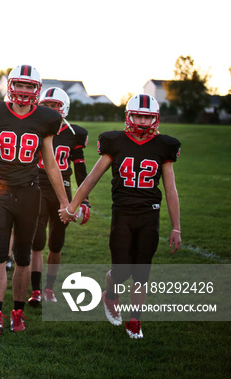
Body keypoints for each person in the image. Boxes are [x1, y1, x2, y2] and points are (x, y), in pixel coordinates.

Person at [60, 94, 181, 339]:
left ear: (155, 120)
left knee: (142, 272)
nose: (142, 122)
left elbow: (170, 189)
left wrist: (176, 227)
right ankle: (111, 295)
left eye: (147, 117)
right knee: (121, 271)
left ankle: (135, 319)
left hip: (150, 215)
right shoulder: (115, 142)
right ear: (128, 116)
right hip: (123, 214)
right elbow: (91, 178)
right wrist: (72, 206)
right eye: (138, 115)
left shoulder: (164, 146)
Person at [0, 65, 70, 334]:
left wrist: (63, 201)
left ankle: (18, 312)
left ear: (37, 89)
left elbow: (51, 163)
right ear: (10, 86)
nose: (23, 91)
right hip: (0, 192)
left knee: (23, 257)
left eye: (28, 86)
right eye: (19, 85)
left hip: (28, 193)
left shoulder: (46, 118)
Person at [28, 88, 90, 307]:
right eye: (47, 105)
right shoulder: (34, 127)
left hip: (62, 191)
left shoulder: (75, 134)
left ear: (64, 107)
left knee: (56, 243)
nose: (51, 110)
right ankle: (35, 290)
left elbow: (80, 170)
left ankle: (49, 288)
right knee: (37, 241)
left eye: (55, 105)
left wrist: (85, 200)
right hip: (38, 187)